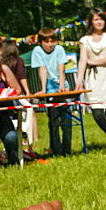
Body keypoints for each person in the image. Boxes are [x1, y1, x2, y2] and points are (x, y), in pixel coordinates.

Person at [75, 9, 106, 152]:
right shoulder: (84, 40)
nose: (99, 22)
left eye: (101, 19)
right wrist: (79, 80)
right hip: (93, 79)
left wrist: (93, 62)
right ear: (91, 21)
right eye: (96, 19)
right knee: (97, 113)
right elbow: (83, 61)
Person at [31, 28, 72, 157]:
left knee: (66, 121)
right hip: (50, 89)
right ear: (40, 42)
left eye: (52, 41)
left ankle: (67, 150)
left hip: (62, 87)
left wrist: (62, 85)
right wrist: (43, 89)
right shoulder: (37, 51)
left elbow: (61, 69)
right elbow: (42, 70)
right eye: (46, 41)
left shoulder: (59, 50)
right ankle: (56, 151)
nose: (49, 44)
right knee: (53, 122)